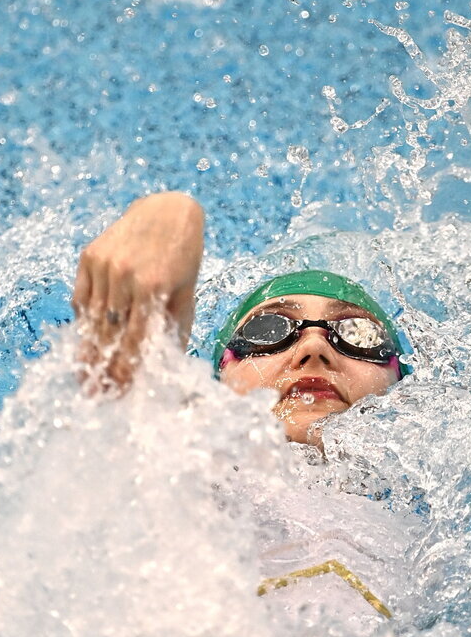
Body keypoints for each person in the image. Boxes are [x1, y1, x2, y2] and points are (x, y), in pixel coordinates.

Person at [72, 191, 411, 447]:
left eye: (359, 334)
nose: (314, 346)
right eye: (268, 329)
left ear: (400, 383)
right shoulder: (167, 476)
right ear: (220, 376)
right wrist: (171, 213)